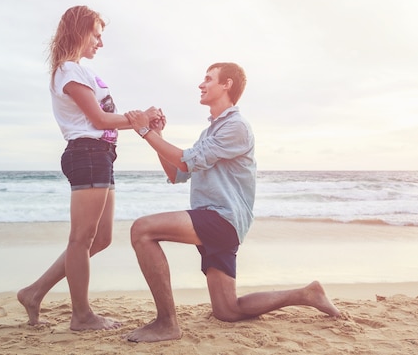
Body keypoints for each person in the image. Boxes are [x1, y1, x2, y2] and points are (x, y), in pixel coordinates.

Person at [123, 62, 341, 343]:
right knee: (228, 310)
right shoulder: (211, 132)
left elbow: (184, 160)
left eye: (208, 79)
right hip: (217, 220)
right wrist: (157, 135)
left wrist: (144, 131)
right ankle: (306, 294)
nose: (201, 85)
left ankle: (167, 323)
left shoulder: (236, 126)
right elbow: (177, 172)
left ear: (227, 84)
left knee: (142, 229)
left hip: (221, 219)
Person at [17, 5, 160, 331]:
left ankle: (34, 291)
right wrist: (141, 119)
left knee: (101, 239)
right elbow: (97, 120)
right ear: (79, 31)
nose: (100, 42)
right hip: (87, 153)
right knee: (81, 239)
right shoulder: (68, 71)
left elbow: (105, 117)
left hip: (102, 154)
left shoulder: (81, 71)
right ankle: (81, 316)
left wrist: (142, 121)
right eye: (96, 34)